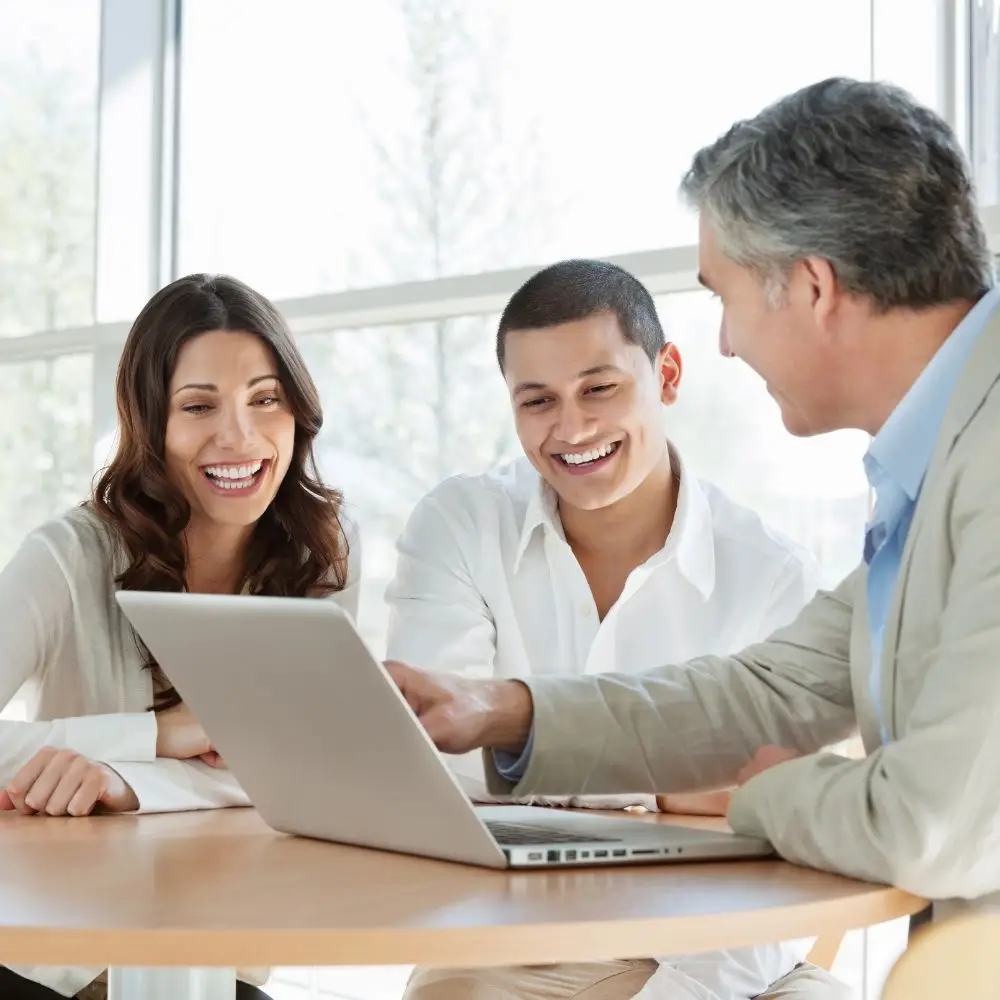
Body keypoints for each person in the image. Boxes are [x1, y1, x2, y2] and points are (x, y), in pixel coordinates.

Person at [386, 75, 1000, 976]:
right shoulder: (939, 459)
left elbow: (929, 824)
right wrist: (507, 711)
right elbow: (763, 692)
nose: (726, 345)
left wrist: (765, 794)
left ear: (812, 286)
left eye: (725, 297)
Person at [386, 259, 850, 999]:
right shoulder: (462, 525)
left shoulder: (769, 575)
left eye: (600, 388)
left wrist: (538, 774)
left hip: (717, 948)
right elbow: (427, 766)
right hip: (503, 946)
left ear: (666, 375)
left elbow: (770, 827)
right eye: (537, 400)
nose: (571, 428)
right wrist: (659, 794)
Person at [0, 274, 359, 999]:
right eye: (199, 406)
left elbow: (316, 774)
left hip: (221, 957)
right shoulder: (70, 555)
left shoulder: (323, 556)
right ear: (150, 422)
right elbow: (259, 769)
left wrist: (125, 780)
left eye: (266, 399)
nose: (241, 437)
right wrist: (159, 734)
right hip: (55, 960)